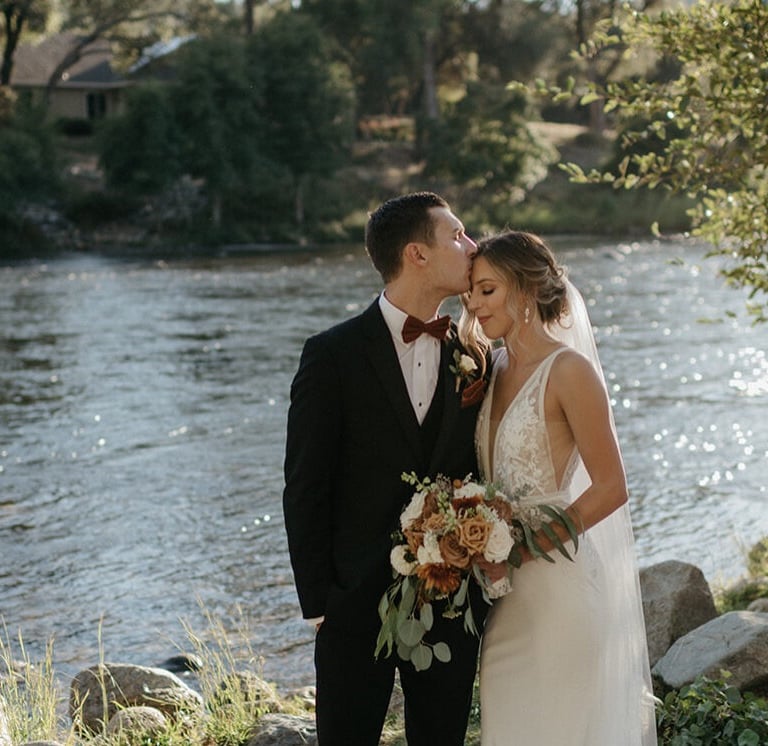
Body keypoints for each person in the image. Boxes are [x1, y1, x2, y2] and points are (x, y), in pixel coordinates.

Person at [283, 191, 490, 746]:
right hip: (352, 603)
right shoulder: (332, 355)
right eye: (458, 235)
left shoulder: (475, 355)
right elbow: (305, 485)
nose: (472, 247)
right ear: (417, 254)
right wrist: (320, 605)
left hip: (448, 600)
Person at [460, 231, 657, 745]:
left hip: (559, 589)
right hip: (503, 600)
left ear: (524, 290)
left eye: (487, 290)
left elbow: (611, 488)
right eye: (471, 294)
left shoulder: (570, 372)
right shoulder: (492, 367)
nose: (475, 305)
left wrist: (520, 549)